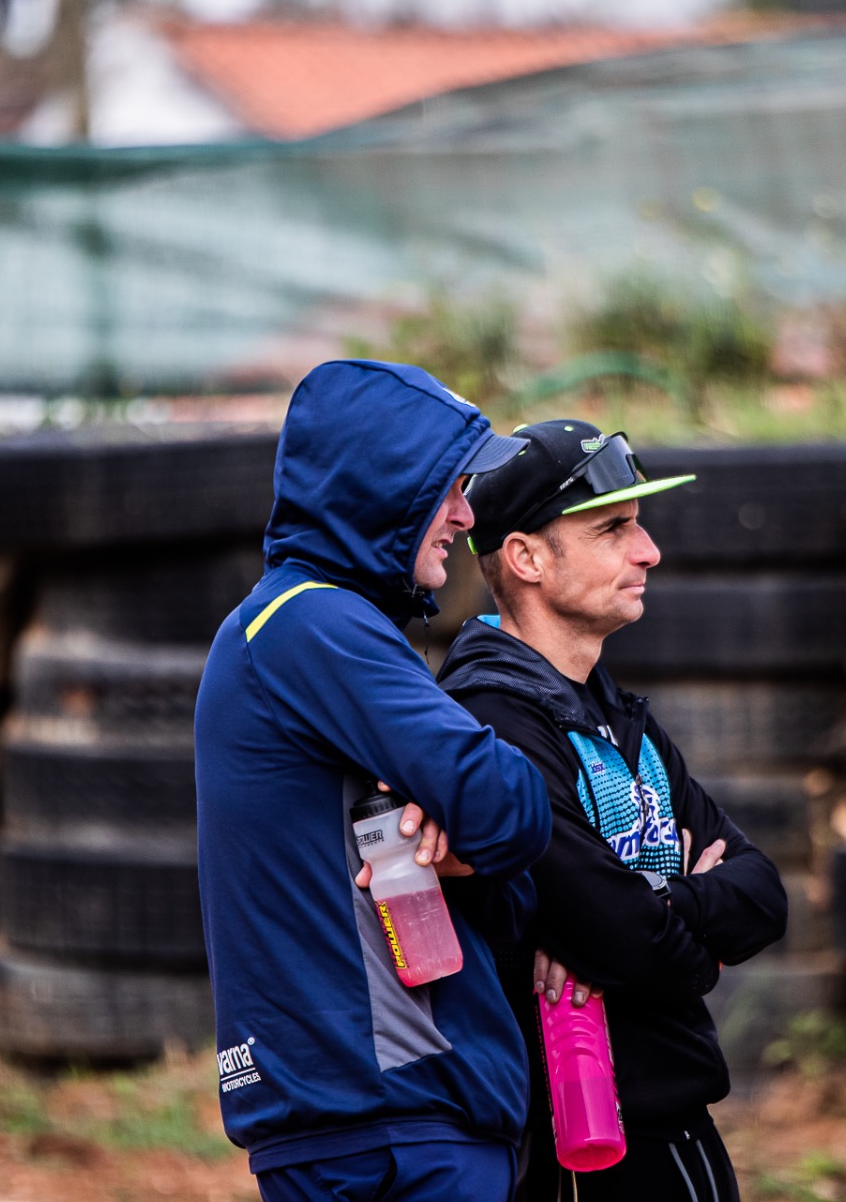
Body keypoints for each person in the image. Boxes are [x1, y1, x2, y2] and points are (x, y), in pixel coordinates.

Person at [195, 360, 554, 1200]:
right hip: (394, 1125)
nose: (466, 516)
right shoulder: (316, 621)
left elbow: (502, 874)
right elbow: (508, 802)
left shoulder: (290, 624)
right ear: (384, 484)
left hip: (362, 1116)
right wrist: (468, 821)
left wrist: (461, 838)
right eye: (451, 487)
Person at [437, 420, 789, 1202]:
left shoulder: (617, 713)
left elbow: (763, 892)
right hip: (573, 1145)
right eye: (612, 529)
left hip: (673, 1119)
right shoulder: (492, 722)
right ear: (526, 557)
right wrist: (693, 943)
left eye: (639, 525)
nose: (649, 551)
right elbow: (621, 934)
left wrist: (664, 908)